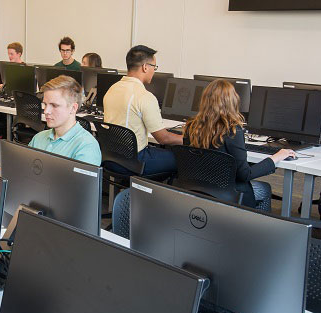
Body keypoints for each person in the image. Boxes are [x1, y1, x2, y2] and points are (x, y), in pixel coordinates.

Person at [183, 79, 295, 209]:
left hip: (198, 188)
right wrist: (276, 157)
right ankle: (256, 227)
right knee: (264, 189)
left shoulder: (191, 126)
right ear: (232, 102)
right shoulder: (232, 131)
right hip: (229, 193)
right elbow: (245, 175)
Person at [0, 75, 100, 175]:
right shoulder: (39, 138)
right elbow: (18, 167)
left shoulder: (86, 146)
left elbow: (77, 192)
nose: (46, 111)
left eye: (54, 105)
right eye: (45, 104)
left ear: (73, 108)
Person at [103, 45, 180, 175]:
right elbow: (163, 139)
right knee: (181, 159)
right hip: (134, 161)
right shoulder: (144, 96)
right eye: (154, 67)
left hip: (110, 158)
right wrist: (190, 139)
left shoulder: (112, 89)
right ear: (145, 67)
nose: (154, 71)